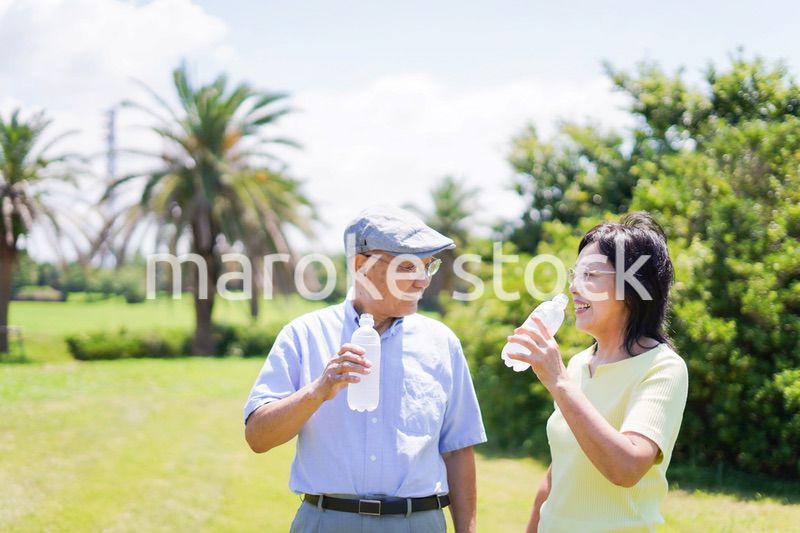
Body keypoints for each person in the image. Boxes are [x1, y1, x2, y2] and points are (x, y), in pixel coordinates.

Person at [244, 206, 487, 533]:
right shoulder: (304, 334)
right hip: (326, 522)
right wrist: (318, 392)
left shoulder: (441, 342)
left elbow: (458, 448)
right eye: (407, 266)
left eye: (428, 265)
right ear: (362, 265)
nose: (423, 280)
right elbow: (258, 437)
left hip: (420, 524)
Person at [505, 212, 689, 533]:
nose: (574, 287)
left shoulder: (663, 368)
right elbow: (558, 475)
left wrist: (558, 381)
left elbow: (627, 468)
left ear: (634, 286)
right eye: (575, 274)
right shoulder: (577, 364)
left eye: (590, 274)